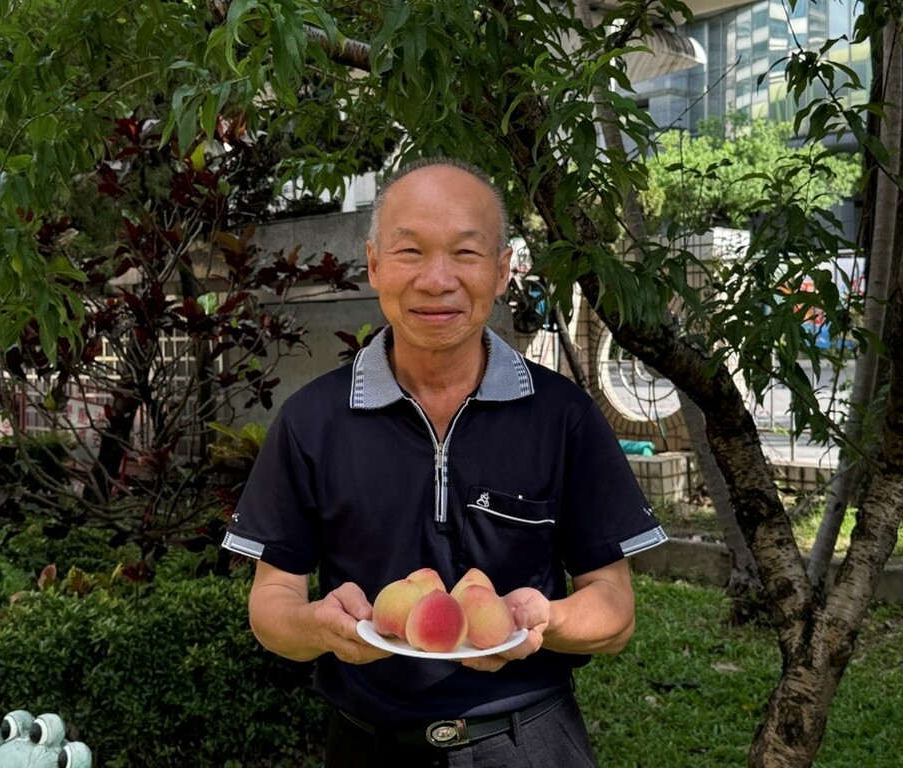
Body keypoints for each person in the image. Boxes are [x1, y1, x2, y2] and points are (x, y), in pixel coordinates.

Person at [222, 157, 668, 767]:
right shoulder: (312, 420)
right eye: (410, 252)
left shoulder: (561, 415)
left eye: (465, 253)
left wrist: (543, 622)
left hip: (528, 742)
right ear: (374, 265)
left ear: (504, 270)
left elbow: (614, 610)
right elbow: (271, 603)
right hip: (367, 746)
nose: (436, 280)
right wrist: (316, 627)